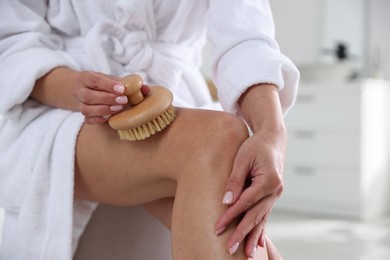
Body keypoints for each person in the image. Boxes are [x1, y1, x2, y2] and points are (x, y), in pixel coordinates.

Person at [0, 0, 299, 259]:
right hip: (60, 107)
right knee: (216, 139)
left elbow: (245, 36)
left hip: (176, 93)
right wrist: (76, 88)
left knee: (223, 141)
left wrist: (271, 133)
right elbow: (10, 38)